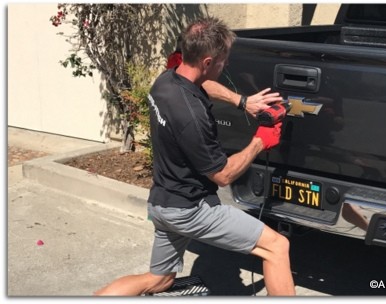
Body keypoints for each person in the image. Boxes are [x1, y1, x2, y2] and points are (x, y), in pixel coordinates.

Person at [94, 17, 296, 296]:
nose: (225, 66)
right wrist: (260, 141)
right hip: (190, 209)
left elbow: (205, 85)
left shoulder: (166, 80)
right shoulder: (192, 117)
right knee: (276, 247)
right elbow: (223, 175)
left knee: (159, 281)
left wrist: (243, 102)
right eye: (223, 61)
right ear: (208, 62)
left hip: (162, 203)